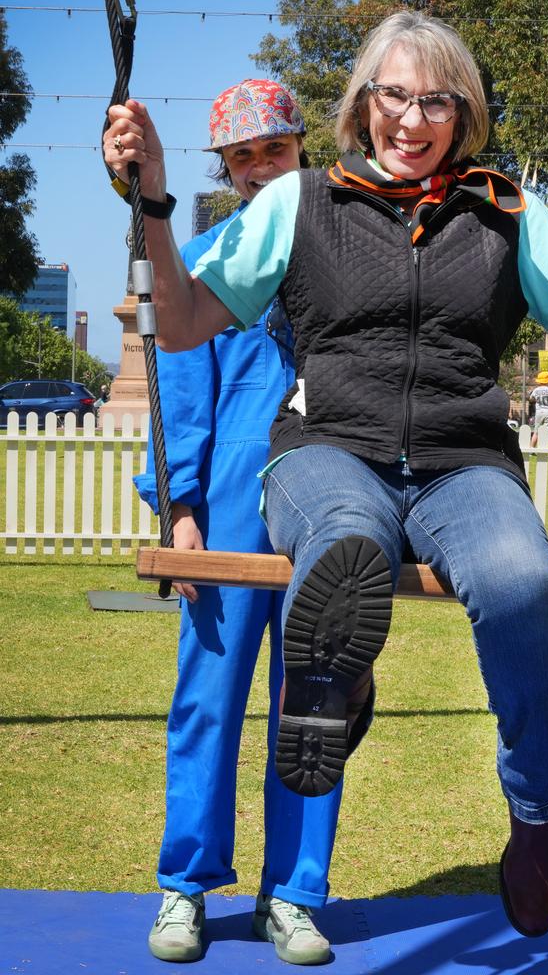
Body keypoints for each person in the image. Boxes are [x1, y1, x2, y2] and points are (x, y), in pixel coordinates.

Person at [104, 10, 548, 940]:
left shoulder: (508, 211)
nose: (411, 119)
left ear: (463, 114)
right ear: (360, 103)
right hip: (328, 448)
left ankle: (535, 810)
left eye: (435, 101)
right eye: (393, 95)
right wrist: (155, 203)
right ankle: (342, 677)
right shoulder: (296, 202)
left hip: (465, 463)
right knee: (343, 540)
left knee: (520, 581)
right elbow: (177, 324)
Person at [105, 79, 347, 967]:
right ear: (224, 170)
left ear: (301, 150)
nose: (257, 169)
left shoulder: (348, 252)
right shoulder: (199, 263)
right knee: (208, 698)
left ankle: (292, 894)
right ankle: (185, 887)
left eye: (272, 150)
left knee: (313, 706)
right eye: (241, 158)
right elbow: (181, 397)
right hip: (232, 511)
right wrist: (181, 514)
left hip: (332, 503)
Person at [529, 370, 548, 448]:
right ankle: (544, 448)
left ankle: (532, 448)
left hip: (539, 412)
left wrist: (537, 400)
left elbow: (531, 399)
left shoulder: (535, 390)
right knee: (546, 431)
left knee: (536, 432)